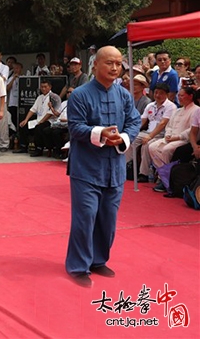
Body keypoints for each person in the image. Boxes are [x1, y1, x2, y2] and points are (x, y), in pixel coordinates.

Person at [65, 46, 140, 288]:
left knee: (108, 219)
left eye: (118, 63)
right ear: (95, 65)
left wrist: (124, 138)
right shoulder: (80, 95)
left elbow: (134, 121)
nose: (115, 68)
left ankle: (99, 260)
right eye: (109, 63)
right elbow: (75, 127)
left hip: (114, 169)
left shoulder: (125, 95)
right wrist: (100, 133)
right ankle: (78, 265)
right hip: (86, 169)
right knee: (85, 218)